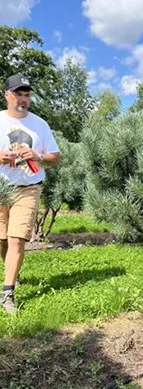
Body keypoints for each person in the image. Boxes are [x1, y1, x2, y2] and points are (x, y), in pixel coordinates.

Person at [0, 74, 61, 312]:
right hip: (1, 189)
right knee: (2, 240)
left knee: (16, 239)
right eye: (18, 94)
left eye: (27, 95)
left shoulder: (40, 124)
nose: (23, 99)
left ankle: (7, 294)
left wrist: (38, 156)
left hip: (28, 188)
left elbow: (55, 157)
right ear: (7, 95)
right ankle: (12, 274)